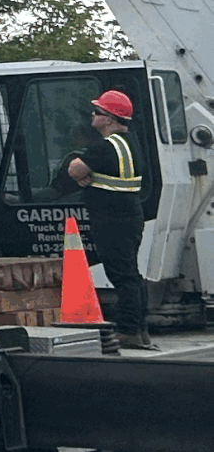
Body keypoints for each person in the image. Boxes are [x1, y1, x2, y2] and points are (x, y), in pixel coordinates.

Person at [65, 87, 151, 343]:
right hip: (129, 216)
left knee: (121, 276)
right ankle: (139, 328)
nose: (92, 115)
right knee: (131, 274)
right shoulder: (130, 142)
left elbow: (73, 170)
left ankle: (127, 331)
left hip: (111, 220)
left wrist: (82, 174)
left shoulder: (103, 147)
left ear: (109, 118)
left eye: (97, 111)